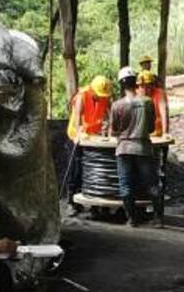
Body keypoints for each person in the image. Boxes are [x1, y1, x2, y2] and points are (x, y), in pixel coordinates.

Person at [109, 67, 157, 227]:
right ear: (135, 82)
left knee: (126, 185)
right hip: (143, 148)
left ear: (121, 85)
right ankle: (158, 219)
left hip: (123, 149)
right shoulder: (148, 102)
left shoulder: (117, 105)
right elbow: (151, 128)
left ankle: (131, 219)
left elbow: (114, 130)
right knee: (151, 183)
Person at [66, 75, 113, 210]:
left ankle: (94, 203)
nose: (101, 97)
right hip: (77, 137)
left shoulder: (105, 96)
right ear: (92, 89)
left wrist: (110, 132)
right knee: (76, 168)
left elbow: (111, 116)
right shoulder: (82, 96)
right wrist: (80, 135)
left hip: (94, 138)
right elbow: (77, 120)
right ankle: (72, 200)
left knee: (94, 169)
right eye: (99, 95)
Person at [138, 70, 169, 136]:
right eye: (142, 86)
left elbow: (164, 114)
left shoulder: (159, 94)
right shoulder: (136, 95)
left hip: (158, 132)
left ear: (152, 85)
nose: (145, 89)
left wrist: (165, 133)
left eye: (148, 86)